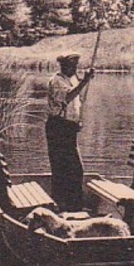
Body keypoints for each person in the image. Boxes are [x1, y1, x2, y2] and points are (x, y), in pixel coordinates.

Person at [45, 52, 93, 211]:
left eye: (76, 65)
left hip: (67, 127)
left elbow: (75, 104)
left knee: (72, 168)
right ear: (63, 65)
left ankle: (71, 205)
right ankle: (66, 206)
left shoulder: (70, 80)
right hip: (58, 127)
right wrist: (84, 81)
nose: (75, 68)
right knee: (65, 168)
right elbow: (67, 97)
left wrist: (77, 121)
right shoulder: (57, 81)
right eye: (72, 65)